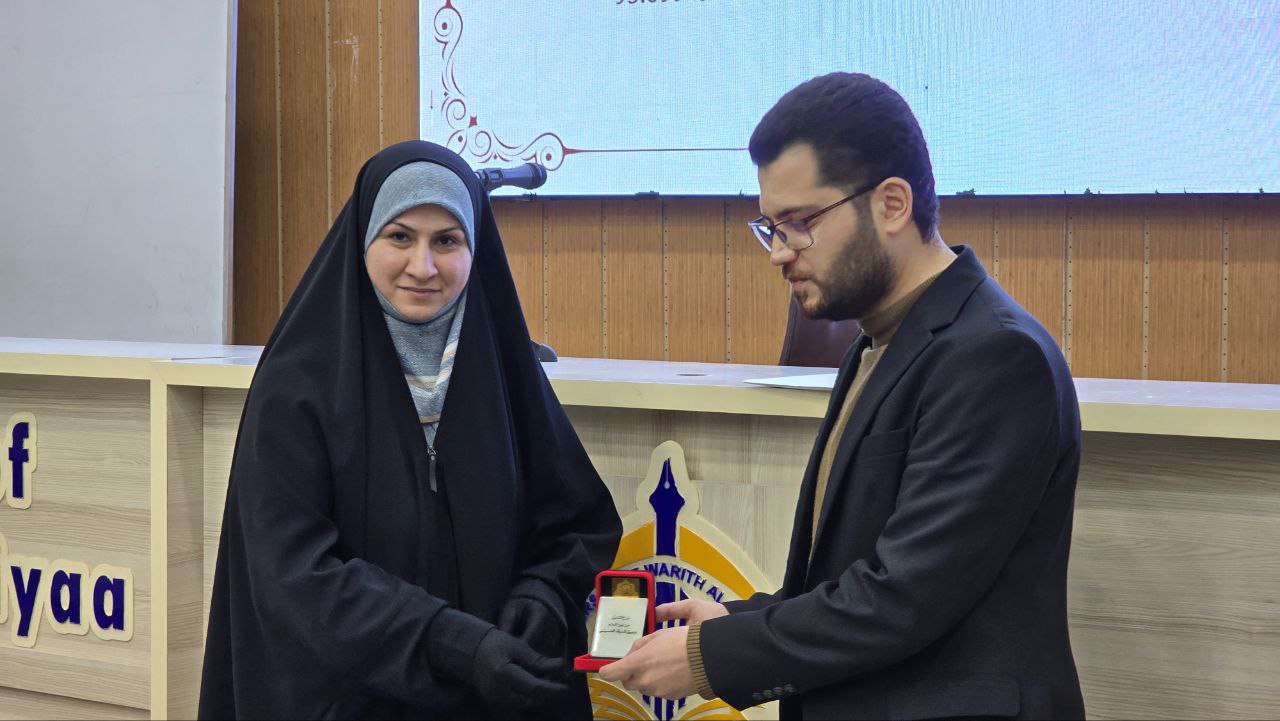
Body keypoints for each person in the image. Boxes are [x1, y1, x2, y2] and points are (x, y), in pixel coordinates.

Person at [601, 72, 1085, 720]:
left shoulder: (994, 356)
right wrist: (734, 622)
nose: (779, 253)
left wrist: (710, 656)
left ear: (892, 204)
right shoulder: (876, 342)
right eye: (770, 227)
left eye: (799, 223)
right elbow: (847, 577)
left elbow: (903, 597)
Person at [199, 141, 622, 719]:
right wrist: (450, 643)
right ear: (363, 239)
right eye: (400, 237)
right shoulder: (298, 383)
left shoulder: (504, 372)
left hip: (496, 695)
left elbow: (577, 521)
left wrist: (542, 595)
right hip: (348, 702)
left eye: (447, 241)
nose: (422, 267)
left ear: (476, 249)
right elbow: (292, 572)